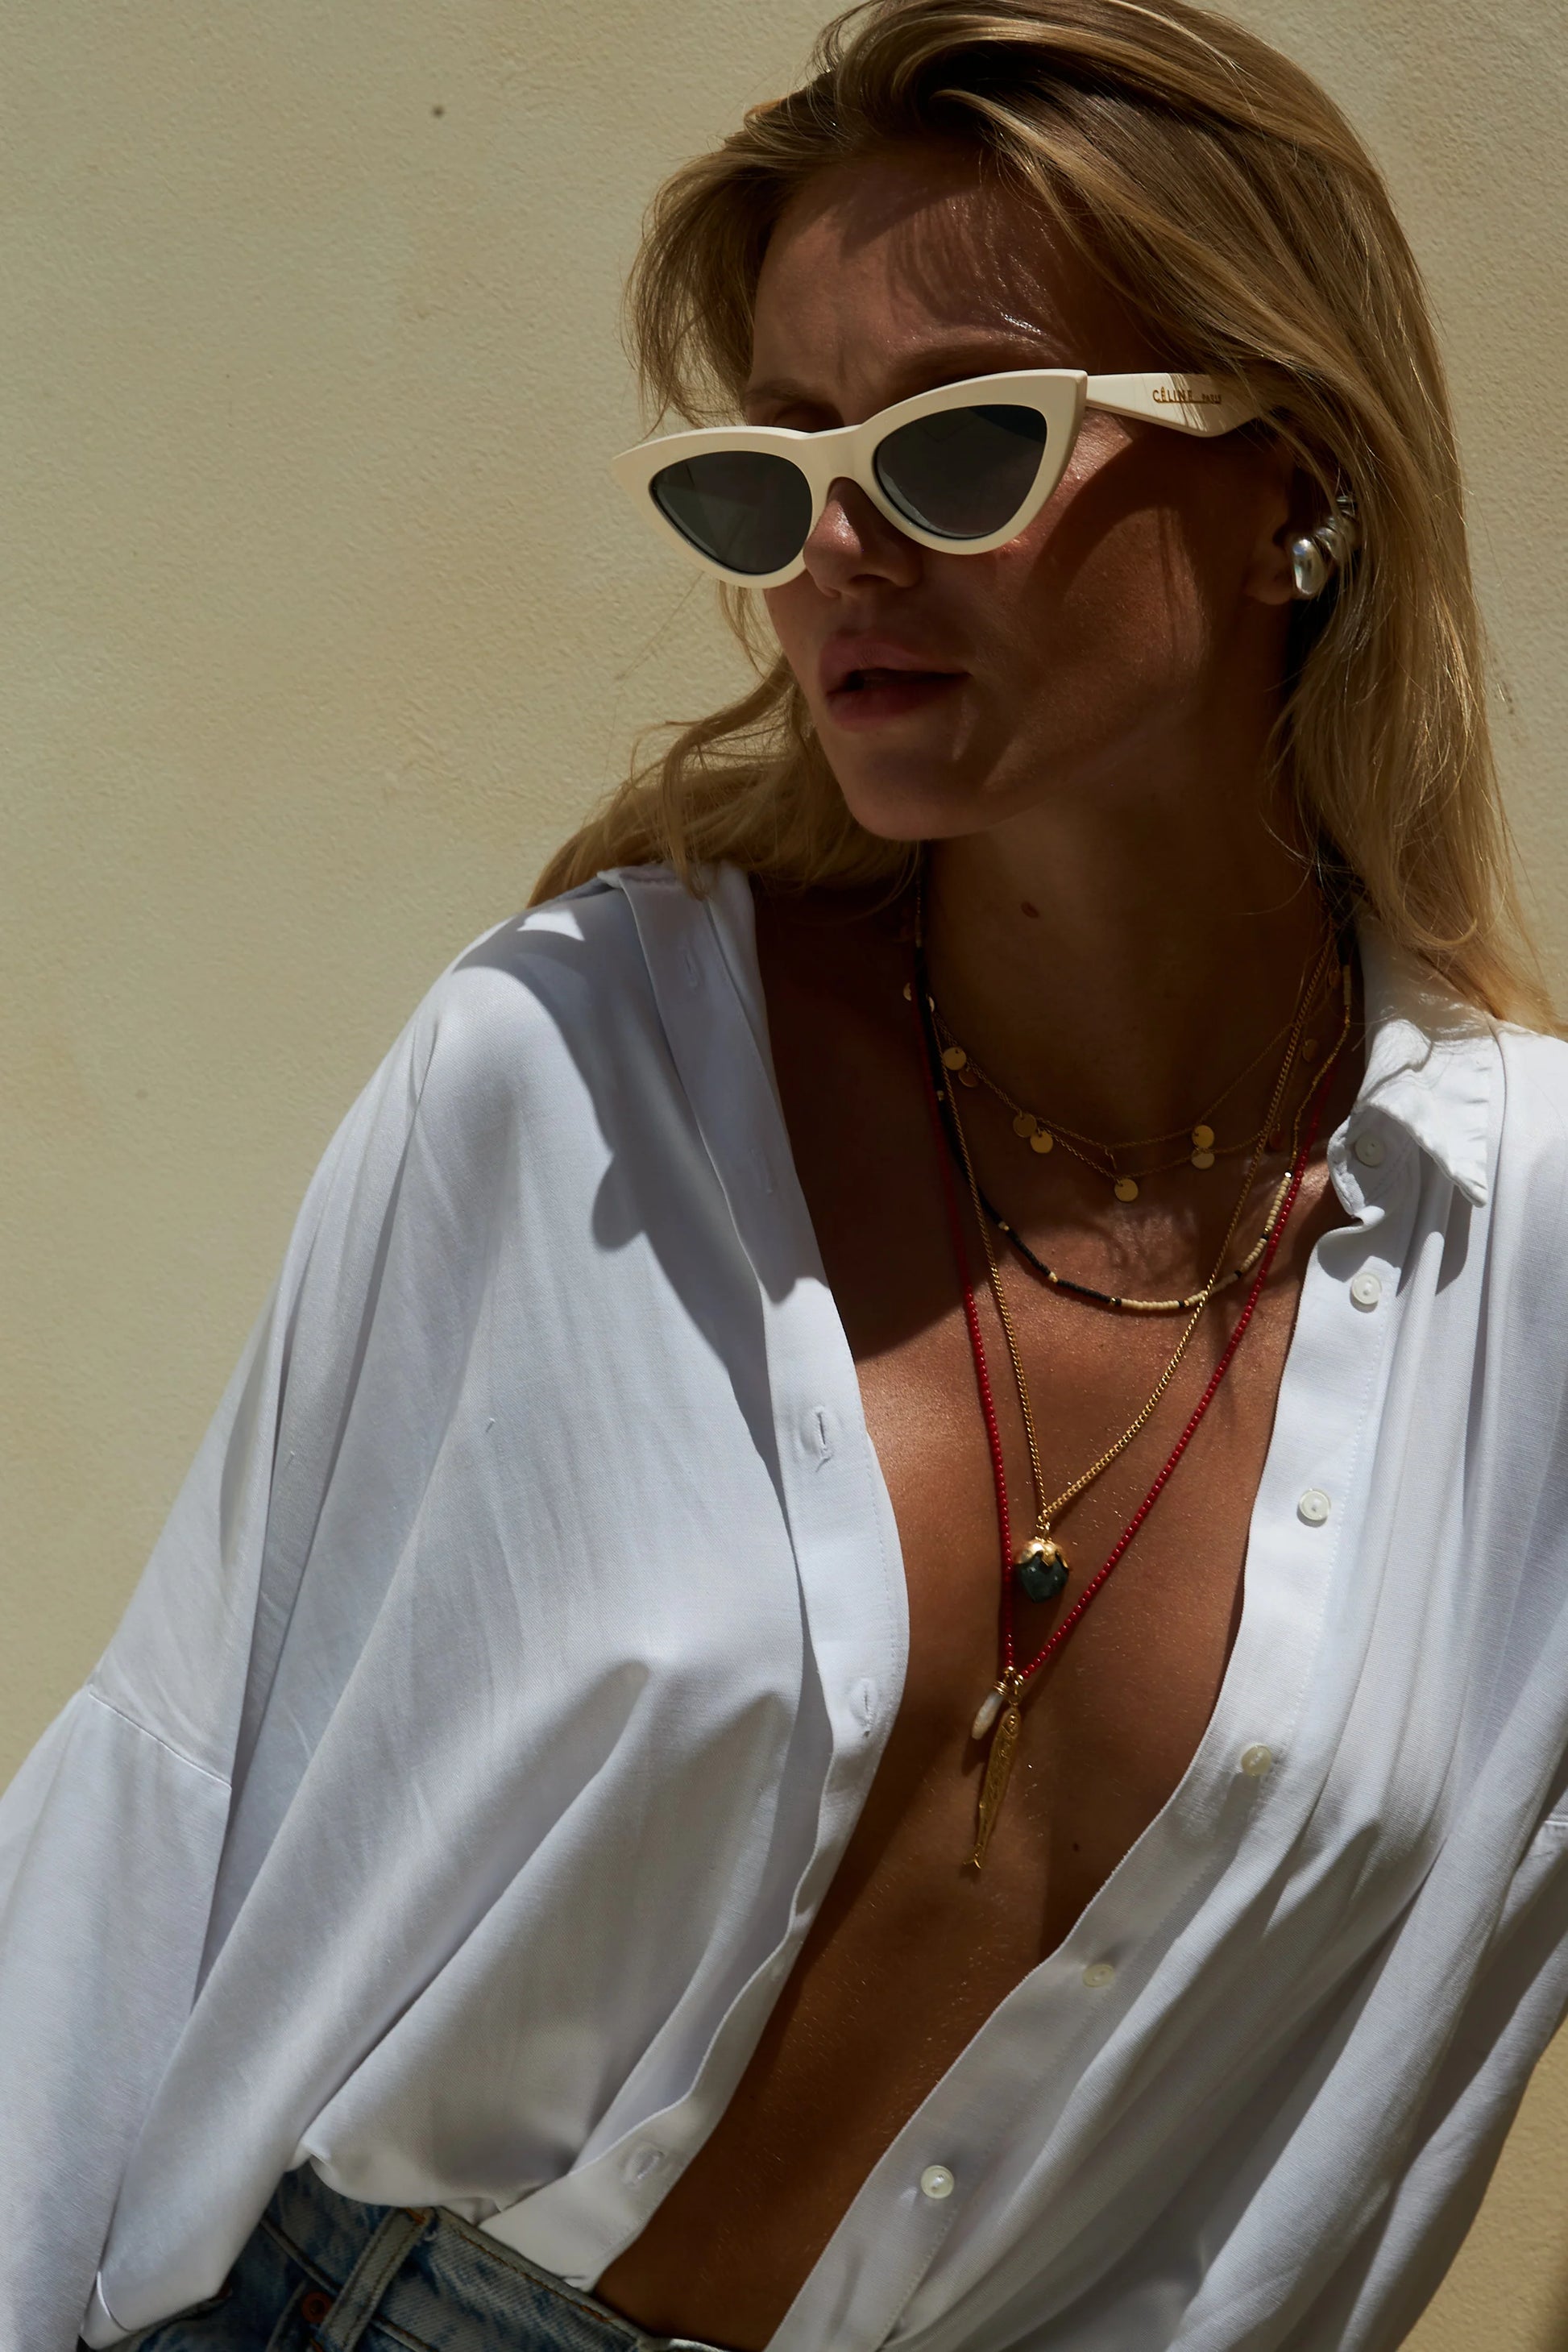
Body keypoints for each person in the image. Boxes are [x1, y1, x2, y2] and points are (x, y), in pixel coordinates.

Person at [5, 2, 1568, 2347]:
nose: (836, 547)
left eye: (958, 443)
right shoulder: (572, 1079)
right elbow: (169, 1789)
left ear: (1292, 483)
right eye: (766, 474)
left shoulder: (1524, 1278)